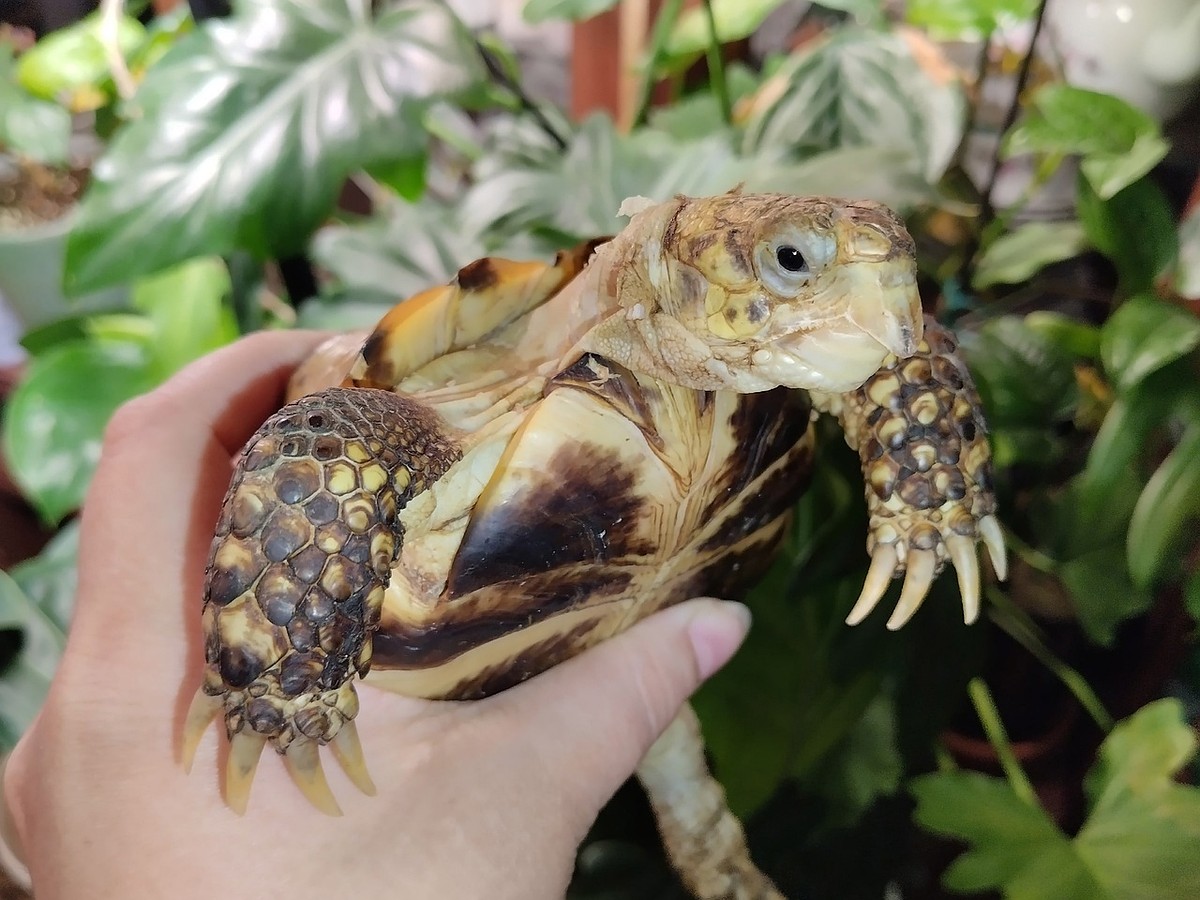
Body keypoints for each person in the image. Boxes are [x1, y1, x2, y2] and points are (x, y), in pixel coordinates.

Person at [1, 331, 751, 899]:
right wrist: (281, 680)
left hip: (646, 582)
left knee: (694, 806)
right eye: (791, 260)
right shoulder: (441, 411)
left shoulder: (762, 343)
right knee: (337, 454)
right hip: (454, 528)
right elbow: (327, 445)